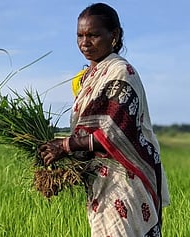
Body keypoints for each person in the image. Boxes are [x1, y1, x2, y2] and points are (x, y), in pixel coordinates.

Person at [38, 3, 170, 236]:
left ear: (114, 36)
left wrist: (66, 145)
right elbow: (87, 132)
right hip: (101, 182)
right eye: (79, 35)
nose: (84, 43)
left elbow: (115, 133)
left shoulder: (120, 72)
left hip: (125, 179)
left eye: (93, 35)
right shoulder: (88, 77)